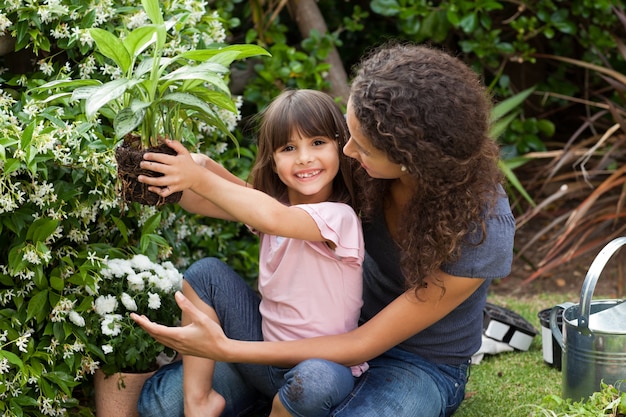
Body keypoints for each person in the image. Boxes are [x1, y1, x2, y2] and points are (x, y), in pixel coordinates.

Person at [133, 42, 516, 417]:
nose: (348, 151)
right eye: (349, 135)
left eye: (362, 147)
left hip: (416, 362)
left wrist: (228, 349)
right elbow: (273, 211)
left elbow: (360, 345)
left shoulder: (480, 227)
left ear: (409, 158)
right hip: (322, 338)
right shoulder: (366, 170)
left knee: (323, 389)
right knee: (160, 405)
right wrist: (187, 174)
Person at [136, 89, 367, 417]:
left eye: (317, 143)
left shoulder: (339, 218)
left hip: (319, 365)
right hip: (261, 354)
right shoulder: (271, 210)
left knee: (315, 382)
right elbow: (200, 198)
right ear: (273, 160)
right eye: (289, 148)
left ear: (340, 147)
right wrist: (191, 167)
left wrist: (199, 176)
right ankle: (199, 404)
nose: (304, 158)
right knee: (205, 274)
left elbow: (273, 217)